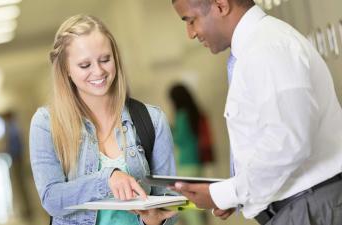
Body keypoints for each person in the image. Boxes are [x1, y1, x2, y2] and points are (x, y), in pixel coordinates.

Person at [170, 0, 342, 224]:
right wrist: (240, 197)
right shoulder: (254, 49)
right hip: (300, 207)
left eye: (191, 21)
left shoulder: (267, 47)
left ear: (221, 5)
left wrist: (227, 193)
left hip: (310, 209)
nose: (190, 33)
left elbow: (288, 142)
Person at [29, 14, 177, 225]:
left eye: (105, 59)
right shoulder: (46, 124)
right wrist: (107, 179)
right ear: (66, 70)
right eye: (84, 65)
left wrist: (155, 221)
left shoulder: (152, 120)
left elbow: (169, 206)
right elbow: (51, 199)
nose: (98, 71)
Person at [168, 83, 210, 225]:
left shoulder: (181, 115)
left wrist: (170, 129)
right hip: (197, 162)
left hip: (185, 164)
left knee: (189, 203)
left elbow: (180, 139)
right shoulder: (195, 112)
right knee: (200, 200)